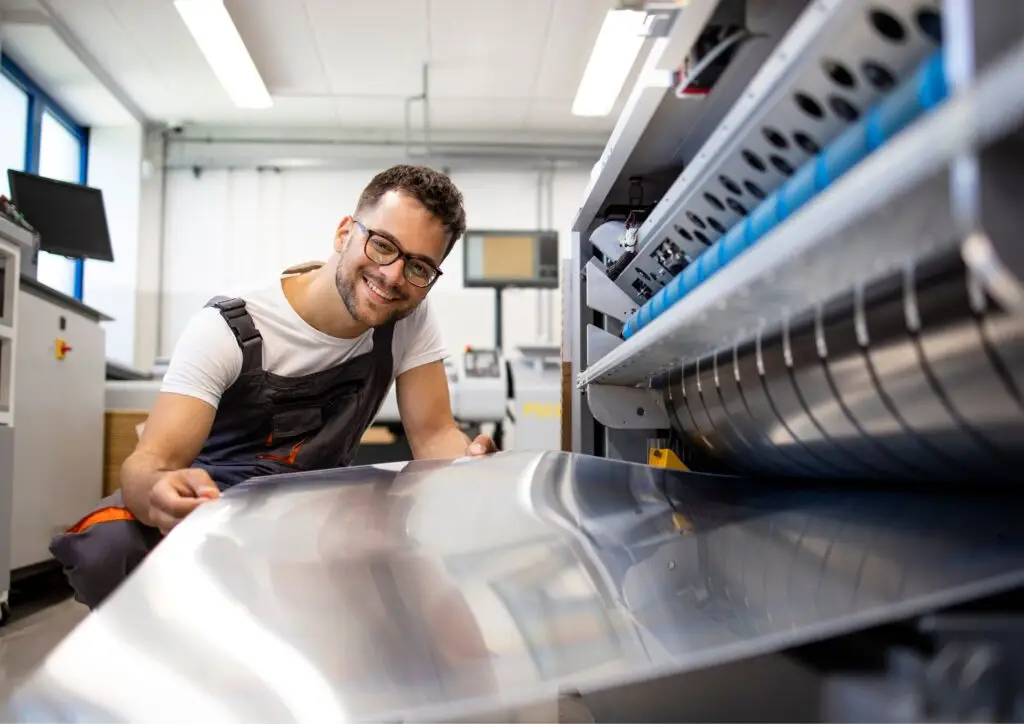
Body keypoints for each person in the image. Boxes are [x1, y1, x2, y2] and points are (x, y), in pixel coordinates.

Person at [50, 164, 497, 609]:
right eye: (383, 246)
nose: (394, 276)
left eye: (419, 267)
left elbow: (435, 434)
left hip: (315, 511)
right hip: (213, 510)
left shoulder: (408, 319)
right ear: (345, 234)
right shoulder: (227, 327)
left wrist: (469, 465)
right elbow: (150, 462)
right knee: (109, 548)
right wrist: (159, 495)